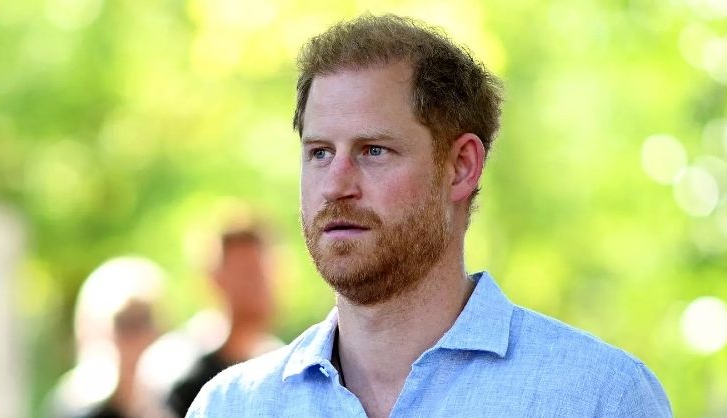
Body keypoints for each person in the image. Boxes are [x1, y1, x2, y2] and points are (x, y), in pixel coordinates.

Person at [187, 14, 672, 418]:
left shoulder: (598, 398)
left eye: (373, 150)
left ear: (460, 167)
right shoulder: (232, 407)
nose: (335, 184)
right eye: (319, 152)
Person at [166, 224, 280, 417]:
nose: (260, 285)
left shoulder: (284, 367)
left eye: (265, 272)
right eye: (247, 274)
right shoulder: (189, 379)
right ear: (216, 280)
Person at [45, 256, 168, 418]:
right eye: (123, 324)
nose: (135, 338)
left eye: (143, 320)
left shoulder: (174, 398)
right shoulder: (80, 409)